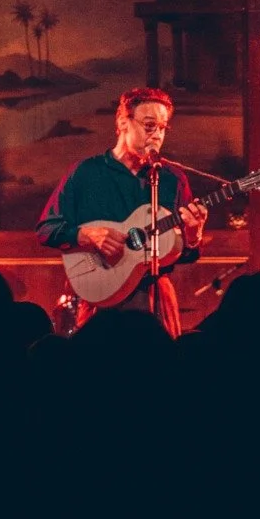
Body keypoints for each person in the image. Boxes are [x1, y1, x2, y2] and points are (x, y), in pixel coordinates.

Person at [35, 87, 208, 338]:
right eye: (149, 125)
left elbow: (185, 254)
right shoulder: (86, 172)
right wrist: (86, 235)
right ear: (123, 122)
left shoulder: (172, 179)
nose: (157, 135)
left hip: (155, 298)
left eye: (162, 128)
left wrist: (193, 237)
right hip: (99, 297)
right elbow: (46, 229)